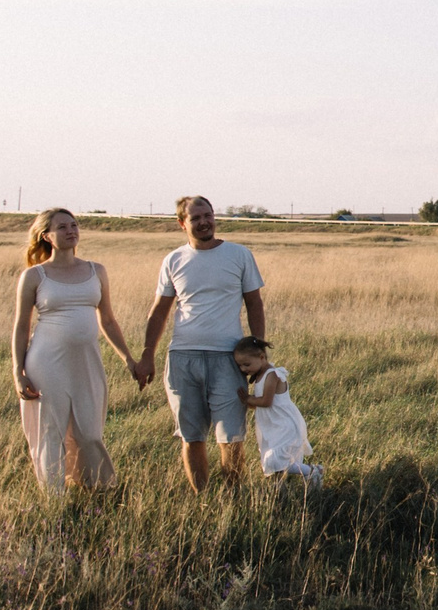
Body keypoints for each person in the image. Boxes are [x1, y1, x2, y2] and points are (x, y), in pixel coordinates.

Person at [136, 196, 266, 491]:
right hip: (183, 359)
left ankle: (233, 497)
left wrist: (258, 351)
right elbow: (159, 311)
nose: (204, 222)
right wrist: (147, 355)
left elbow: (254, 304)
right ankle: (202, 497)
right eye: (196, 218)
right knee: (191, 435)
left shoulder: (239, 255)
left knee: (230, 437)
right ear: (182, 223)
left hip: (227, 359)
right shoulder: (174, 260)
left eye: (208, 215)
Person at [8, 208, 137, 493]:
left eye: (74, 225)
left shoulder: (96, 270)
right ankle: (54, 500)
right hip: (46, 362)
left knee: (90, 433)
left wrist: (128, 359)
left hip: (87, 362)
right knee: (50, 433)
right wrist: (18, 372)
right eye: (62, 226)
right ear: (47, 236)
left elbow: (108, 319)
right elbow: (21, 327)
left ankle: (99, 491)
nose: (71, 230)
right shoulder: (34, 276)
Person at [234, 336, 322, 486]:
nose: (244, 369)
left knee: (277, 460)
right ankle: (278, 490)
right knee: (273, 461)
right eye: (240, 366)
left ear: (262, 357)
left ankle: (312, 471)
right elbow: (258, 404)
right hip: (271, 425)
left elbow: (266, 402)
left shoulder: (272, 375)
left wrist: (247, 399)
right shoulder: (259, 376)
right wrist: (249, 402)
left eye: (246, 364)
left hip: (283, 424)